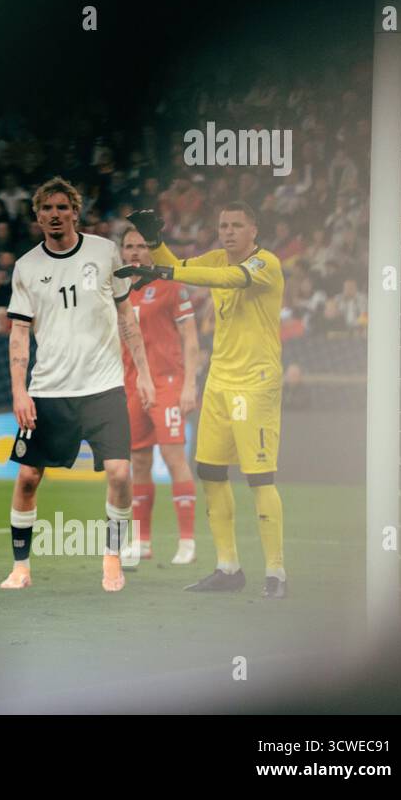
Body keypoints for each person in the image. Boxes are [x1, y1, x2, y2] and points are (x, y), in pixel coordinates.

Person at [120, 202, 288, 598]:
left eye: (236, 225)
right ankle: (228, 568)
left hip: (255, 382)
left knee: (259, 477)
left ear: (253, 229)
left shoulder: (266, 264)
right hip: (219, 381)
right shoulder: (214, 259)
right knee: (210, 472)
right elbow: (178, 266)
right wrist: (156, 245)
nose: (228, 232)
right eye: (223, 225)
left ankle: (276, 573)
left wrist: (166, 270)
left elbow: (228, 279)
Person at [1, 177, 155, 593]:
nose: (55, 215)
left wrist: (143, 373)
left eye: (62, 207)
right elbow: (19, 334)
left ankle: (112, 557)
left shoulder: (104, 252)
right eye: (46, 208)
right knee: (28, 477)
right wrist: (19, 390)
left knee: (120, 474)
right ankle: (20, 568)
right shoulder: (26, 267)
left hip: (104, 387)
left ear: (75, 212)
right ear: (37, 216)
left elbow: (126, 316)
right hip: (49, 391)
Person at [117, 226, 200, 565]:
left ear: (152, 250)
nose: (135, 251)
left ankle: (187, 541)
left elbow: (191, 339)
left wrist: (189, 384)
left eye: (141, 245)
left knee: (173, 456)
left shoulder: (171, 286)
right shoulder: (117, 289)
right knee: (138, 461)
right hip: (132, 384)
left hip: (167, 382)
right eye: (129, 246)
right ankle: (142, 542)